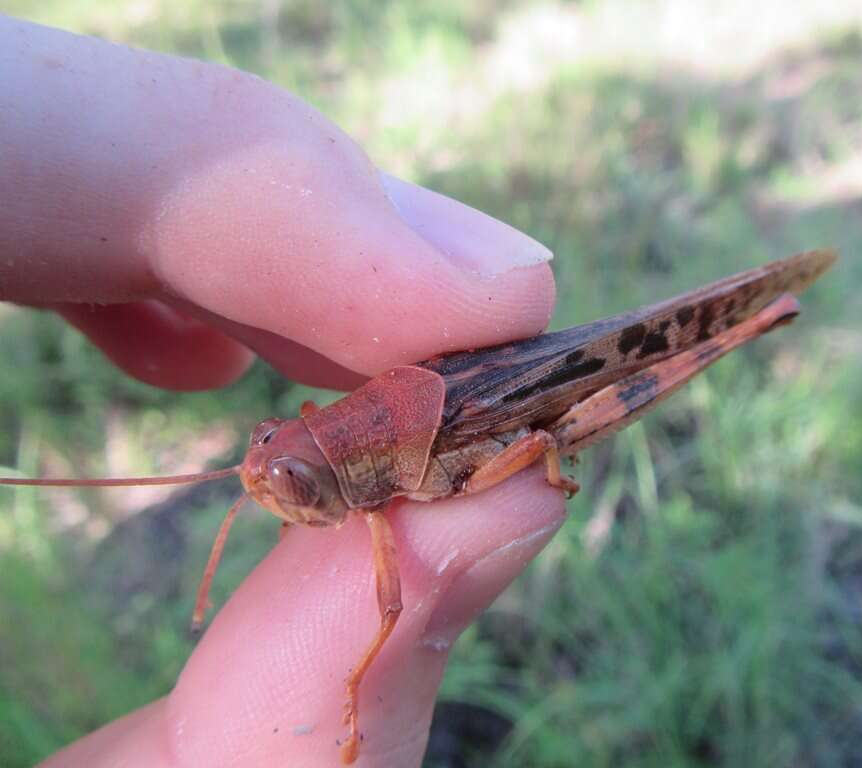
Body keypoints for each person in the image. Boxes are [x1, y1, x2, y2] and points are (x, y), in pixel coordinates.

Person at [1, 14, 566, 767]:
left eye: (285, 469)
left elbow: (530, 447)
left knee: (538, 444)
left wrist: (352, 696)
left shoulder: (374, 467)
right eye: (277, 456)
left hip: (540, 398)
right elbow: (300, 421)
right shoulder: (328, 442)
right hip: (429, 407)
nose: (274, 460)